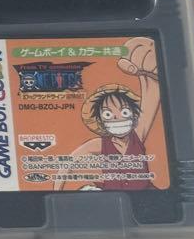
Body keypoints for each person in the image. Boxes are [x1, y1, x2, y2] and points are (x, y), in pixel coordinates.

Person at [59, 37, 162, 192]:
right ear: (100, 121)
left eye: (124, 112)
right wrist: (56, 191)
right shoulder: (100, 144)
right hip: (112, 196)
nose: (116, 117)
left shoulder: (137, 135)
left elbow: (152, 93)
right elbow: (69, 162)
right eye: (108, 114)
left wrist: (148, 67)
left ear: (133, 115)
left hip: (145, 195)